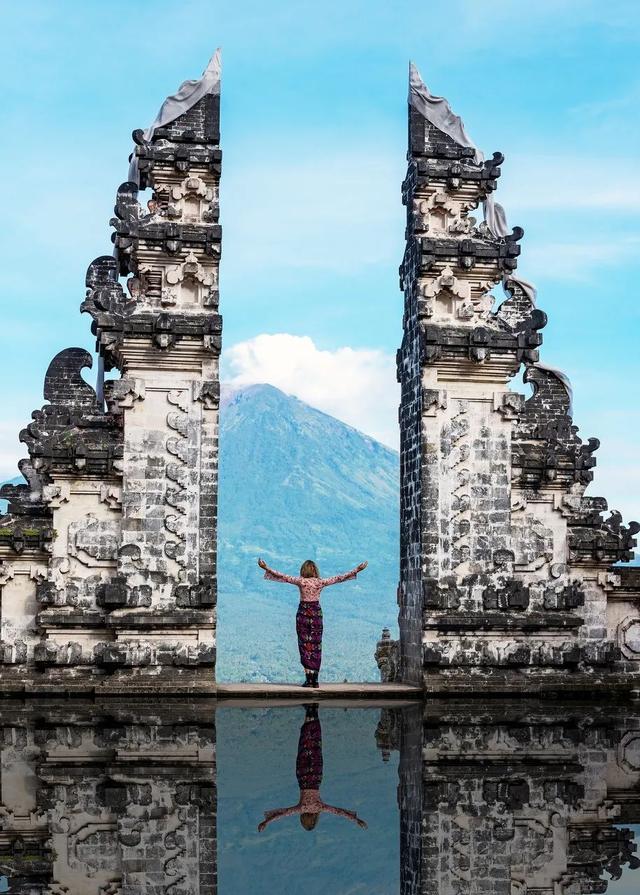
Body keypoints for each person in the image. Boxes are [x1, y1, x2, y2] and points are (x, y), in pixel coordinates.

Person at [257, 557, 367, 687]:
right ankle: (315, 679)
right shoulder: (320, 582)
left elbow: (282, 576)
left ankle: (308, 679)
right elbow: (339, 578)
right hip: (316, 614)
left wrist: (266, 568)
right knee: (316, 645)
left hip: (303, 613)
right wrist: (357, 570)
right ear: (315, 570)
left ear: (304, 570)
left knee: (304, 644)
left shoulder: (301, 581)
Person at [258, 705, 367, 833]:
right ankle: (309, 712)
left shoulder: (320, 807)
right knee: (305, 744)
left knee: (315, 745)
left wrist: (357, 820)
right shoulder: (301, 808)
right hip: (303, 776)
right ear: (303, 818)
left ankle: (314, 712)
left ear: (315, 819)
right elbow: (283, 813)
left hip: (315, 776)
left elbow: (338, 812)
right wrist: (266, 822)